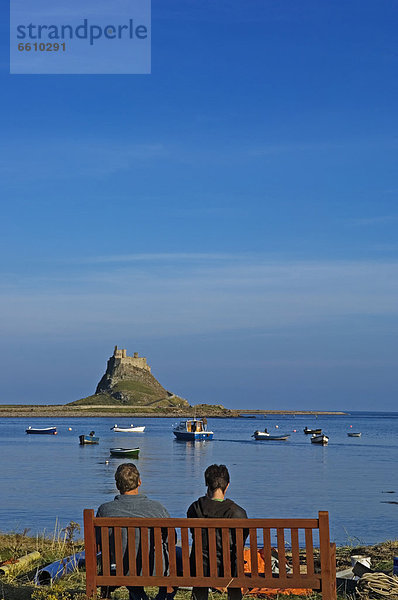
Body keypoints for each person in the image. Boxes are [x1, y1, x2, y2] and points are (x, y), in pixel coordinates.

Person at [97, 463, 176, 600]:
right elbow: (171, 540)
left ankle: (138, 595)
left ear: (117, 486)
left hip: (117, 569)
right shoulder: (157, 509)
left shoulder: (105, 510)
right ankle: (161, 597)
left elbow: (98, 542)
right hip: (155, 568)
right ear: (139, 482)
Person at [187, 464, 248, 600]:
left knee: (200, 564)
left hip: (200, 567)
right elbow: (242, 540)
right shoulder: (238, 512)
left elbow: (193, 535)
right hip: (231, 568)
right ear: (227, 486)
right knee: (236, 561)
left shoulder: (195, 508)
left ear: (207, 484)